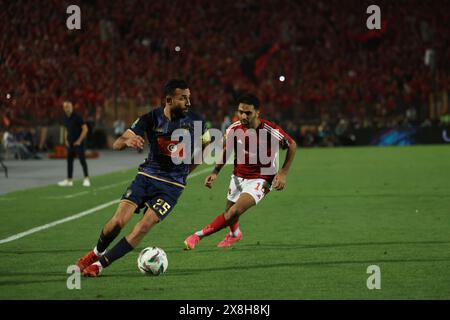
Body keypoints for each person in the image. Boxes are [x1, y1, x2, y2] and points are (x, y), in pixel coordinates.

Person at [76, 79, 208, 277]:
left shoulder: (197, 122)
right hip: (147, 176)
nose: (189, 103)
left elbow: (206, 146)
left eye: (189, 98)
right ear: (169, 100)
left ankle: (100, 265)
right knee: (117, 222)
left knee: (143, 226)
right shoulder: (150, 118)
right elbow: (117, 143)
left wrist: (187, 171)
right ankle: (95, 253)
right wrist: (129, 140)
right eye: (183, 99)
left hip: (171, 187)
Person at [184, 93, 297, 249]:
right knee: (229, 212)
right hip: (238, 176)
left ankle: (197, 236)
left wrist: (283, 172)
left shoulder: (270, 129)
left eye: (248, 113)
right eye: (240, 112)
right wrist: (215, 171)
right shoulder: (234, 128)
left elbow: (292, 144)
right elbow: (227, 150)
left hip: (262, 178)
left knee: (233, 212)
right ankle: (235, 234)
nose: (243, 116)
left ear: (258, 112)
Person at [58, 101, 91, 187]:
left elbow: (85, 129)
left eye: (69, 107)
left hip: (78, 143)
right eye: (65, 107)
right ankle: (69, 180)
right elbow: (66, 129)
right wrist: (66, 140)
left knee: (82, 161)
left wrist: (79, 140)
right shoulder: (65, 117)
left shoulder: (77, 117)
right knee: (69, 162)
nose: (67, 108)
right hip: (70, 143)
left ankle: (86, 179)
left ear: (72, 107)